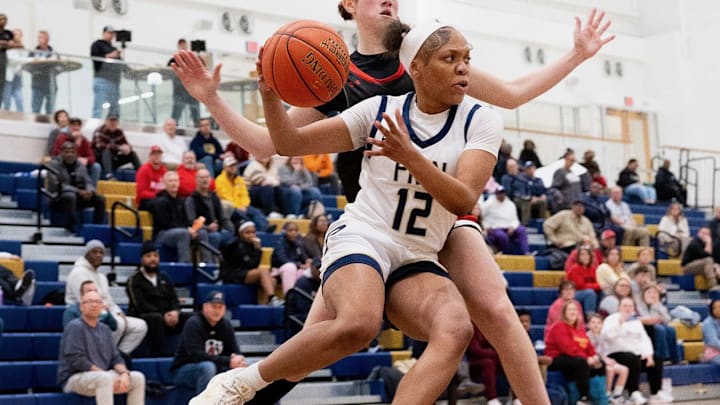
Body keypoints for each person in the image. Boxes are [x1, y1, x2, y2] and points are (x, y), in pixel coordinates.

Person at [172, 2, 614, 402]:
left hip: (439, 217)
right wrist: (213, 98)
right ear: (348, 5)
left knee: (493, 306)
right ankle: (238, 391)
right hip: (375, 215)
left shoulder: (434, 51)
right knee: (319, 343)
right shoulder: (330, 71)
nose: (388, 0)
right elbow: (273, 144)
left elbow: (512, 95)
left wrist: (576, 54)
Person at [191, 22, 498, 405]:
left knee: (455, 328)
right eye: (449, 58)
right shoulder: (379, 110)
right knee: (358, 324)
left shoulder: (480, 119)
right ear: (415, 68)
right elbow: (287, 142)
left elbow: (463, 200)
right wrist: (269, 96)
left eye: (467, 58)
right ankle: (242, 382)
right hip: (364, 235)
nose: (463, 67)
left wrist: (409, 157)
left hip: (416, 253)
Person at [58, 289, 146, 404]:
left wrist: (124, 374)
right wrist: (106, 374)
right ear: (81, 307)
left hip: (100, 376)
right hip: (74, 378)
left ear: (102, 306)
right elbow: (77, 360)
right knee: (105, 379)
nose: (94, 304)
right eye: (89, 301)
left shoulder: (105, 329)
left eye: (97, 302)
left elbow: (116, 358)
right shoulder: (75, 327)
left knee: (137, 378)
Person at [65, 240, 148, 354]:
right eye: (94, 252)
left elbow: (108, 300)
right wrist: (109, 315)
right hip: (82, 315)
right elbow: (85, 302)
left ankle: (119, 355)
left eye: (101, 252)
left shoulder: (101, 276)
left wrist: (118, 312)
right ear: (86, 254)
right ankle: (104, 355)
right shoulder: (78, 273)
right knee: (118, 323)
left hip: (104, 312)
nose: (98, 255)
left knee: (140, 326)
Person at [171, 290, 247, 396]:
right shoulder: (193, 323)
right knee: (207, 367)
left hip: (215, 367)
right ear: (205, 307)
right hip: (184, 370)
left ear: (225, 309)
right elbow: (196, 355)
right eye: (214, 306)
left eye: (220, 307)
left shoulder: (226, 325)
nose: (217, 310)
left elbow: (235, 351)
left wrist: (239, 360)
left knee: (244, 368)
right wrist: (228, 361)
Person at [600, 296, 672, 403]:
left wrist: (649, 355)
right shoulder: (611, 319)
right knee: (632, 359)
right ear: (619, 307)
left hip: (635, 354)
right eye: (625, 306)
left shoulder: (636, 321)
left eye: (630, 306)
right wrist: (619, 323)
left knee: (656, 359)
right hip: (615, 353)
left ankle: (656, 393)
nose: (627, 308)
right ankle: (633, 392)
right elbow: (607, 337)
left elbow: (644, 339)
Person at [126, 241, 190, 357]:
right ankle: (158, 356)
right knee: (156, 319)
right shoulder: (134, 279)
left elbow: (174, 300)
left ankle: (188, 355)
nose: (153, 259)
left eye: (155, 256)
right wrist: (163, 314)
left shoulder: (164, 277)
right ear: (142, 259)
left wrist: (175, 312)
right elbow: (140, 305)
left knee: (192, 317)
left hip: (168, 318)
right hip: (146, 318)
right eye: (148, 256)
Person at [544, 301, 604, 405]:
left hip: (574, 358)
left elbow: (588, 346)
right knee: (581, 362)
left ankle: (602, 397)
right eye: (570, 309)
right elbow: (567, 348)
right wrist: (587, 358)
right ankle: (584, 398)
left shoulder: (579, 329)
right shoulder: (559, 326)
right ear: (564, 312)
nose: (573, 312)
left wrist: (593, 356)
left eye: (575, 309)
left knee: (600, 365)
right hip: (556, 358)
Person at [152, 171, 214, 263]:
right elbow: (166, 224)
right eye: (170, 181)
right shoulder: (160, 201)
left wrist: (193, 229)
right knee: (183, 233)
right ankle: (184, 265)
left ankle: (209, 265)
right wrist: (187, 229)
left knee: (202, 232)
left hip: (181, 230)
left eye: (176, 181)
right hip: (162, 234)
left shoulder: (182, 201)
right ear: (164, 184)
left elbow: (186, 221)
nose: (174, 183)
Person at [47, 142, 106, 233]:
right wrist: (78, 191)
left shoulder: (79, 165)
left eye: (72, 152)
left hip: (77, 196)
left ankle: (98, 229)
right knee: (71, 197)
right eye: (67, 152)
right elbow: (56, 186)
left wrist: (89, 191)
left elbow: (88, 181)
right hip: (57, 197)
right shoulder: (53, 165)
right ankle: (73, 229)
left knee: (100, 199)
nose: (70, 154)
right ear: (61, 153)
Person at [220, 221, 277, 305]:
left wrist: (257, 249)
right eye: (248, 233)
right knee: (263, 271)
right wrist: (257, 250)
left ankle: (265, 307)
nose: (251, 235)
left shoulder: (252, 245)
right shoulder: (235, 244)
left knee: (272, 281)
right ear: (240, 233)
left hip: (245, 273)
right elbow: (249, 264)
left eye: (253, 232)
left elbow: (254, 264)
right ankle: (272, 297)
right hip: (232, 274)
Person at [214, 156, 270, 233]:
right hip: (230, 208)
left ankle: (264, 230)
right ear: (225, 167)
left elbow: (244, 194)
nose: (233, 168)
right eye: (230, 166)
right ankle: (255, 231)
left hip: (242, 206)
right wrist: (238, 207)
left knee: (257, 212)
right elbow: (225, 197)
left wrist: (244, 205)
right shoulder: (219, 180)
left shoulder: (239, 179)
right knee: (243, 216)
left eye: (234, 165)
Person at [185, 168, 233, 249]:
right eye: (202, 178)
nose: (205, 180)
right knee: (215, 237)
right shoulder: (191, 200)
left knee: (234, 236)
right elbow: (191, 221)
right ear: (196, 180)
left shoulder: (214, 197)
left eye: (207, 177)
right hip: (203, 232)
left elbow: (222, 217)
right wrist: (208, 227)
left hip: (219, 229)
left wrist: (230, 228)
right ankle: (212, 261)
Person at [586, 313, 628, 402]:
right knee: (610, 369)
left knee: (624, 369)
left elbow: (604, 351)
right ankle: (607, 394)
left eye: (598, 323)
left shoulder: (603, 335)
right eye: (593, 322)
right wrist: (605, 359)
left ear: (602, 325)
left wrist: (607, 358)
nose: (596, 325)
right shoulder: (587, 336)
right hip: (594, 361)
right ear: (588, 325)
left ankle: (617, 395)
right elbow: (592, 352)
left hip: (604, 359)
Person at [51, 117, 102, 187]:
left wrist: (86, 160)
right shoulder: (62, 138)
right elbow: (56, 155)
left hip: (80, 165)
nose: (76, 128)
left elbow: (92, 157)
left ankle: (92, 191)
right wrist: (76, 145)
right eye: (73, 125)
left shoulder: (84, 140)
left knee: (96, 166)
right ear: (69, 126)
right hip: (65, 165)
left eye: (78, 125)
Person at [637, 283, 678, 363]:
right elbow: (648, 319)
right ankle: (662, 357)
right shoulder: (639, 305)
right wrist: (655, 317)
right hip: (644, 327)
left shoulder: (659, 305)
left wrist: (656, 305)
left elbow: (667, 320)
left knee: (671, 330)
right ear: (643, 294)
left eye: (654, 293)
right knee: (660, 329)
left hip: (656, 325)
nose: (652, 295)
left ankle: (675, 358)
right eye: (649, 292)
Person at [480, 187, 529, 254]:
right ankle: (507, 254)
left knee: (522, 229)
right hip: (495, 229)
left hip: (509, 227)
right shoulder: (488, 204)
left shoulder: (510, 204)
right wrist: (486, 227)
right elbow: (481, 217)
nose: (501, 195)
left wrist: (512, 227)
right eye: (499, 193)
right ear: (496, 194)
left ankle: (526, 252)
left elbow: (515, 219)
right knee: (502, 236)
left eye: (503, 193)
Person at [90, 26, 123, 118]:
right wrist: (110, 56)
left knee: (115, 107)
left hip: (114, 81)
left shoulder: (114, 48)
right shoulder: (97, 44)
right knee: (98, 106)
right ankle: (95, 124)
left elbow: (120, 64)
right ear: (104, 33)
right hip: (102, 79)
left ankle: (112, 126)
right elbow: (95, 58)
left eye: (112, 33)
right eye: (109, 32)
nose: (111, 35)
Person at [466, 325, 503, 405]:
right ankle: (491, 398)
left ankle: (517, 397)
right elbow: (475, 351)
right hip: (472, 363)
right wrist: (496, 353)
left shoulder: (487, 325)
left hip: (489, 358)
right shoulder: (471, 326)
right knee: (488, 363)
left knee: (507, 361)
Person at [271, 222, 312, 294]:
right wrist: (299, 265)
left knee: (308, 271)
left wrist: (307, 262)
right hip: (280, 269)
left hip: (296, 268)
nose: (293, 232)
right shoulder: (280, 243)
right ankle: (289, 298)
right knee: (290, 267)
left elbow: (304, 258)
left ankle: (304, 300)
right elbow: (282, 259)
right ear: (284, 231)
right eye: (290, 230)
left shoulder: (298, 242)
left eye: (296, 230)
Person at [168, 39, 200, 127]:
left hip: (192, 92)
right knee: (176, 115)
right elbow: (169, 71)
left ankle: (197, 131)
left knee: (196, 115)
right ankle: (173, 129)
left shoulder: (192, 60)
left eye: (184, 45)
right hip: (179, 92)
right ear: (178, 46)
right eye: (181, 45)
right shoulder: (173, 60)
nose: (183, 47)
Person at [285, 258, 322, 336]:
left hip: (311, 314)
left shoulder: (322, 281)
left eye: (321, 268)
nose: (319, 270)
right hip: (300, 316)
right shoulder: (302, 282)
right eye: (317, 268)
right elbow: (302, 307)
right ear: (312, 267)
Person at [565, 246, 600, 314]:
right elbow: (580, 286)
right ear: (579, 257)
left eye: (587, 254)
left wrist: (597, 286)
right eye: (582, 254)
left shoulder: (592, 268)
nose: (585, 256)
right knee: (590, 293)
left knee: (601, 292)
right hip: (572, 293)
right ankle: (590, 316)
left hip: (585, 291)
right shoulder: (575, 268)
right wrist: (597, 286)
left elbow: (597, 283)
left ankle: (602, 315)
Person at [30, 30, 56, 114]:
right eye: (38, 37)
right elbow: (29, 64)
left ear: (47, 39)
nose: (39, 39)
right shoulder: (33, 52)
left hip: (50, 84)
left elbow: (56, 66)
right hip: (37, 84)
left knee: (50, 108)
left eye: (41, 37)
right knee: (36, 108)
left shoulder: (53, 52)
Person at [134, 145, 167, 210]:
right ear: (150, 156)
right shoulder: (143, 170)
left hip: (159, 199)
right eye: (154, 154)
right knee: (160, 203)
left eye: (159, 154)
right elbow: (141, 193)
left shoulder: (164, 171)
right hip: (144, 201)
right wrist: (157, 195)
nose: (157, 156)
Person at [2, 28, 25, 112]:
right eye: (14, 34)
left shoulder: (22, 47)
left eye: (17, 34)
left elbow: (24, 58)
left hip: (17, 75)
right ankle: (4, 117)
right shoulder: (8, 45)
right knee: (6, 99)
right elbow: (11, 59)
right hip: (8, 77)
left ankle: (21, 115)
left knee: (19, 99)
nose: (15, 36)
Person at [0, 14, 20, 101]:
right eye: (1, 19)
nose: (3, 22)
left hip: (3, 57)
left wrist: (10, 44)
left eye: (5, 20)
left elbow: (17, 44)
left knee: (1, 82)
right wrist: (6, 43)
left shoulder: (8, 33)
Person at [702, 299, 720, 367]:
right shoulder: (708, 323)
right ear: (711, 310)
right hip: (713, 353)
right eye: (715, 308)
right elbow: (713, 342)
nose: (718, 310)